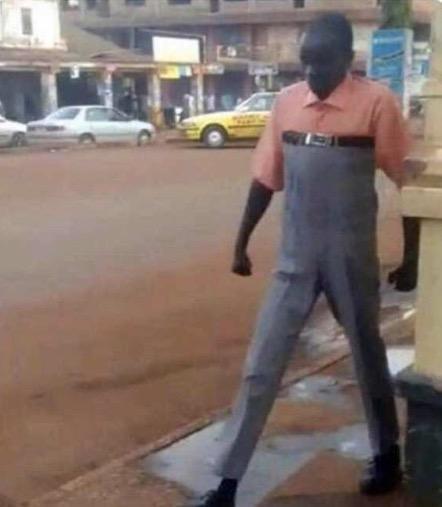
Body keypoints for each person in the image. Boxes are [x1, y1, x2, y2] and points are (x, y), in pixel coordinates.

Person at [189, 12, 410, 507]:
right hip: (296, 257)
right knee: (261, 364)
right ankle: (226, 482)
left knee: (368, 355)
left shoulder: (377, 104)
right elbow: (266, 178)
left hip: (351, 257)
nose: (312, 72)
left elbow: (406, 182)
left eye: (323, 62)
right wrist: (241, 242)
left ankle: (387, 454)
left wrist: (412, 255)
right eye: (305, 62)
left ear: (348, 59)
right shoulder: (287, 103)